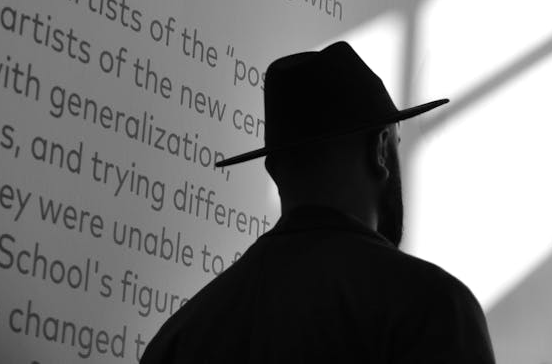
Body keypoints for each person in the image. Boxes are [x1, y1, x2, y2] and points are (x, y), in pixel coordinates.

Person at [140, 41, 497, 363]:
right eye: (396, 143)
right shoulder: (431, 309)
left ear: (275, 171)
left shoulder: (177, 339)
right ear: (380, 152)